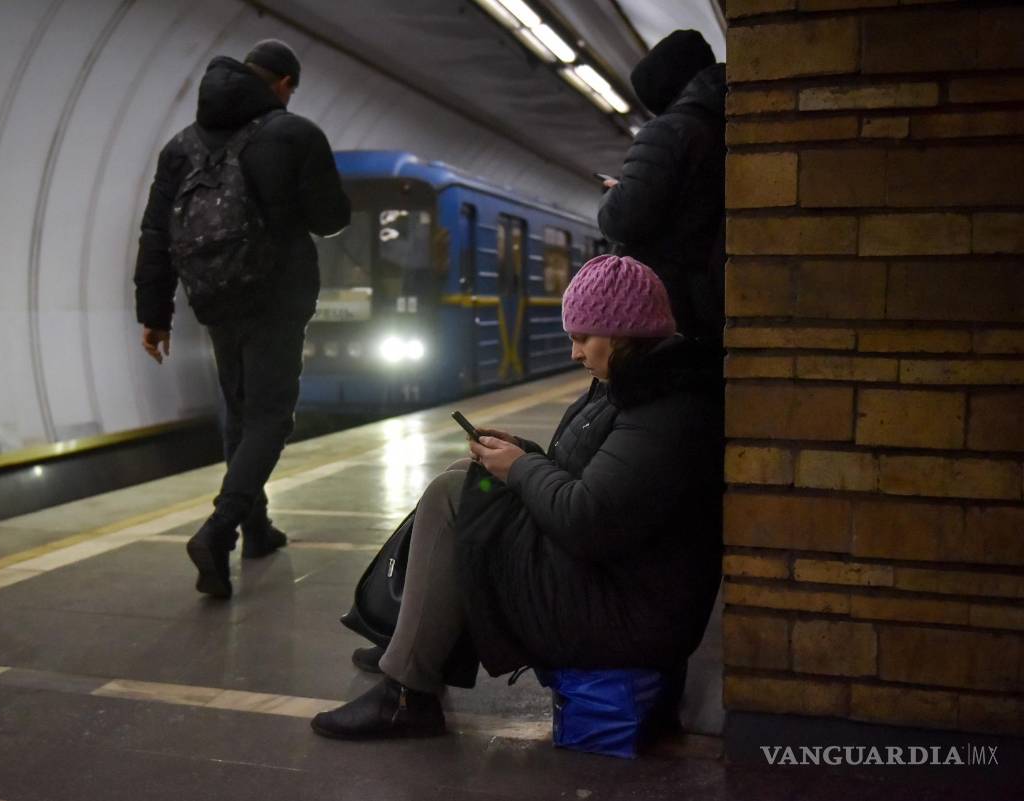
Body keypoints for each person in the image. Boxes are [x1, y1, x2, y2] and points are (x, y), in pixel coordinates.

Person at [310, 254, 723, 739]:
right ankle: (414, 647)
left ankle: (405, 693)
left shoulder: (664, 407)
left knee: (454, 494)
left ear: (624, 332)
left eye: (583, 337)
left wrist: (521, 467)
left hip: (629, 612)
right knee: (468, 476)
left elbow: (588, 522)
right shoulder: (630, 383)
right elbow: (587, 479)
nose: (574, 353)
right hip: (616, 582)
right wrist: (516, 453)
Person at [134, 39, 350, 599]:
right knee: (271, 417)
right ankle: (220, 529)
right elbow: (331, 219)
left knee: (240, 409)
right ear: (282, 83)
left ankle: (257, 528)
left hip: (213, 297)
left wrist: (154, 314)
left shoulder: (180, 147)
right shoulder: (294, 133)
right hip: (276, 297)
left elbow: (156, 233)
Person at [598, 29, 725, 344]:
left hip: (668, 301)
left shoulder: (669, 131)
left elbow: (624, 220)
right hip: (709, 294)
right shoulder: (722, 123)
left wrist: (615, 192)